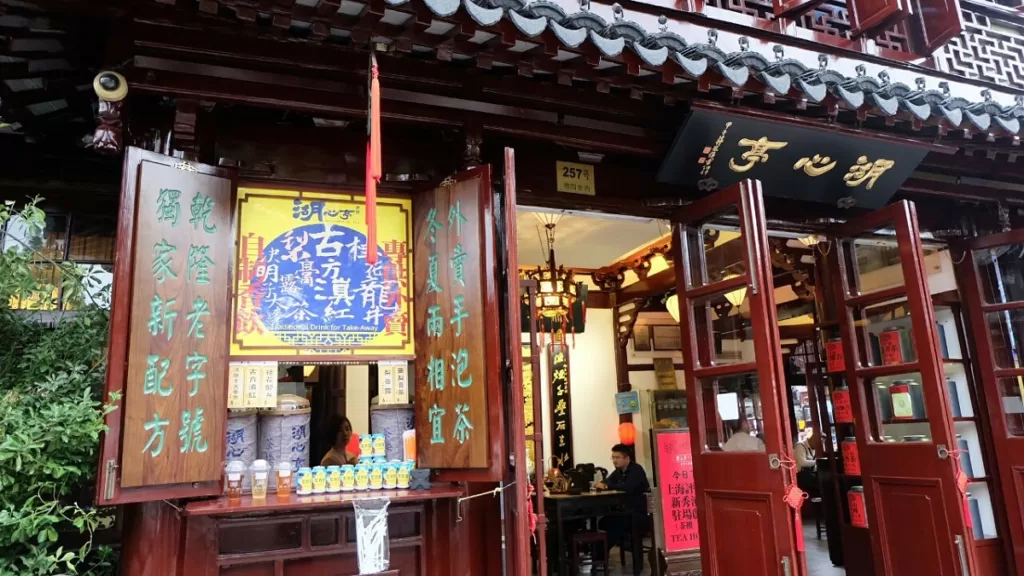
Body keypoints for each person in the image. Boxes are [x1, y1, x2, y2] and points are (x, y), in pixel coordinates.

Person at [594, 444, 650, 576]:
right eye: (613, 457)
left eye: (617, 457)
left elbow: (629, 487)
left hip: (639, 513)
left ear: (627, 458)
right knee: (604, 522)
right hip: (625, 512)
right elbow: (607, 482)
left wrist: (608, 486)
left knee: (613, 525)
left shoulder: (636, 470)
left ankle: (601, 561)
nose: (614, 461)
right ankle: (600, 560)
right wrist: (603, 484)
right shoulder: (618, 471)